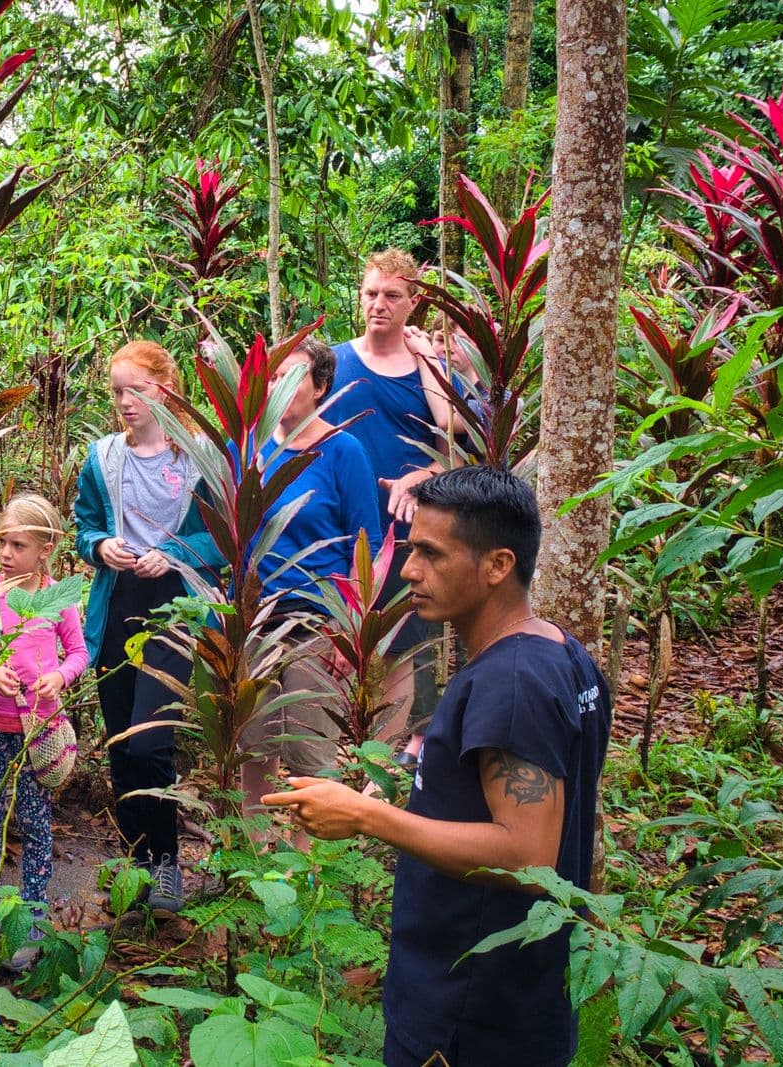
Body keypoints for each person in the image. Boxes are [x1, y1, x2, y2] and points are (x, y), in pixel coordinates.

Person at [266, 465, 613, 1067]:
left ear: (498, 565)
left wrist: (367, 817)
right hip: (519, 996)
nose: (408, 570)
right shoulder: (559, 653)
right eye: (410, 549)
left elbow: (528, 858)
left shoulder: (512, 682)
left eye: (431, 553)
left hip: (472, 1010)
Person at [74, 339, 223, 912]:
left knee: (150, 738)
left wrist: (180, 552)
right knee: (119, 739)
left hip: (175, 605)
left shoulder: (199, 457)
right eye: (116, 392)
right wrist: (100, 545)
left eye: (135, 390)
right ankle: (136, 865)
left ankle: (166, 866)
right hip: (119, 602)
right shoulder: (103, 456)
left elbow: (223, 539)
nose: (125, 402)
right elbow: (85, 525)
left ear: (164, 388)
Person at [332, 249, 469, 748]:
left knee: (404, 649)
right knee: (338, 644)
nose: (379, 305)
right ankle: (334, 761)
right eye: (370, 293)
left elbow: (454, 442)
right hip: (339, 530)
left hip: (406, 532)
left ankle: (386, 770)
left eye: (392, 295)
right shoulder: (335, 361)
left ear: (414, 302)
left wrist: (420, 478)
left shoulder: (425, 369)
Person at [242, 337, 382, 825]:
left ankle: (311, 874)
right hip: (256, 620)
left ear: (321, 387)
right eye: (273, 376)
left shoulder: (343, 450)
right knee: (253, 748)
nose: (279, 386)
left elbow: (365, 545)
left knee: (310, 754)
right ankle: (253, 866)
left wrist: (349, 632)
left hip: (317, 623)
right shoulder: (251, 448)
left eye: (294, 376)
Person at [0, 494, 88, 968]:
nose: (5, 554)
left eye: (17, 545)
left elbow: (78, 653)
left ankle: (31, 915)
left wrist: (61, 678)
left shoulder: (58, 600)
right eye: (1, 543)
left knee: (34, 822)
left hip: (38, 729)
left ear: (45, 549)